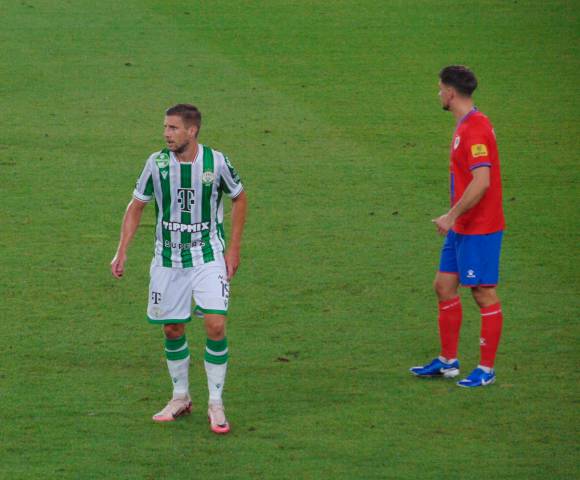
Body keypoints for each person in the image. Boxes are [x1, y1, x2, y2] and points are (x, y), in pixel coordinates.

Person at [111, 104, 247, 431]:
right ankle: (180, 397)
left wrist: (234, 248)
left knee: (215, 324)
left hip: (207, 255)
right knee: (172, 329)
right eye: (165, 127)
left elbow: (239, 197)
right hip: (168, 259)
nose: (166, 134)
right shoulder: (156, 164)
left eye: (173, 128)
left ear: (192, 131)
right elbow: (136, 206)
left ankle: (216, 403)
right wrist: (122, 251)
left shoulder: (216, 162)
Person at [410, 66, 505, 388]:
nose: (438, 94)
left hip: (480, 227)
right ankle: (448, 361)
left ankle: (486, 369)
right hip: (462, 225)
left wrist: (450, 216)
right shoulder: (466, 124)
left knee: (483, 293)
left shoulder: (475, 129)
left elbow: (482, 182)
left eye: (440, 89)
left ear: (450, 93)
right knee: (444, 286)